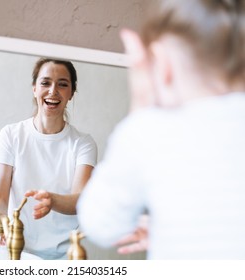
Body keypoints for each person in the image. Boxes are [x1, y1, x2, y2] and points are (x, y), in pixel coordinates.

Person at [77, 0, 245, 259]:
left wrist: (140, 107)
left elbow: (100, 223)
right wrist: (174, 230)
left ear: (163, 65)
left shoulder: (149, 130)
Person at [0, 58, 97, 260]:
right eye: (45, 83)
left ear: (71, 92)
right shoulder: (10, 135)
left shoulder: (83, 143)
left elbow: (80, 200)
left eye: (62, 84)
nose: (53, 91)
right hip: (15, 252)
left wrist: (52, 200)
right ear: (34, 88)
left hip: (63, 257)